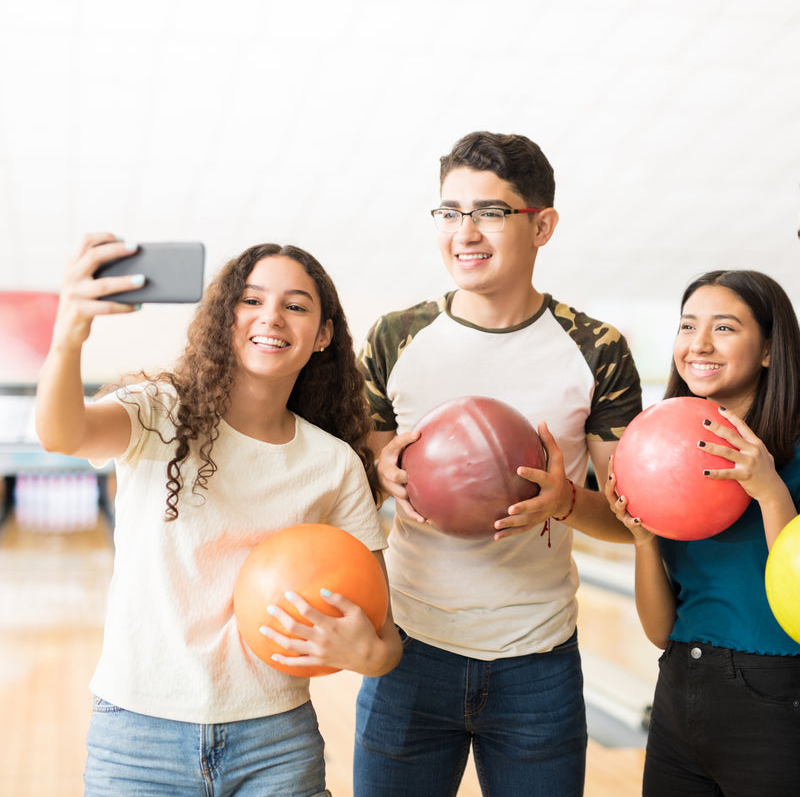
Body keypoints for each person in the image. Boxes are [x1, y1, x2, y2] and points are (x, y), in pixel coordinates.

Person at [35, 233, 402, 797]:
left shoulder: (334, 464)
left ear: (323, 335)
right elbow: (62, 434)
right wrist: (68, 336)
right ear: (223, 316)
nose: (271, 317)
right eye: (250, 300)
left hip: (275, 741)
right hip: (138, 734)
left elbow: (385, 641)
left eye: (296, 306)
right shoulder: (159, 411)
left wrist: (367, 655)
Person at [352, 131, 643, 797]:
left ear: (541, 225)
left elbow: (633, 522)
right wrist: (381, 473)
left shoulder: (595, 348)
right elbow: (353, 485)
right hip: (408, 652)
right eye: (450, 212)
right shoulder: (395, 338)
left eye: (489, 211)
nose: (464, 231)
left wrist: (566, 500)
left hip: (537, 663)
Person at [606, 269, 800, 797]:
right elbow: (661, 631)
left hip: (776, 701)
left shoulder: (796, 457)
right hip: (679, 691)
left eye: (725, 328)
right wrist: (643, 538)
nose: (700, 344)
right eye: (688, 326)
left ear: (768, 350)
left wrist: (769, 491)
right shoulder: (667, 457)